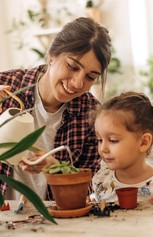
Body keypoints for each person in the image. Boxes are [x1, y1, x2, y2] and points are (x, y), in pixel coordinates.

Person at [0, 17, 112, 200]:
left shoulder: (90, 113)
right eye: (73, 67)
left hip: (55, 222)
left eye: (90, 77)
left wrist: (56, 168)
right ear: (52, 54)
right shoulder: (7, 87)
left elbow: (88, 187)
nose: (78, 83)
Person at [91, 91, 153, 205]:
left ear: (143, 142)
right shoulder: (100, 180)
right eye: (100, 140)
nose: (103, 148)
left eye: (113, 140)